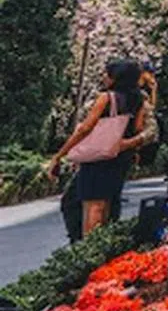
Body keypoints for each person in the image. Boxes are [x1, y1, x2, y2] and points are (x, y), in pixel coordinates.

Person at [46, 60, 147, 237]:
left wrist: (60, 154)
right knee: (106, 204)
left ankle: (89, 249)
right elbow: (138, 129)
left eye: (107, 74)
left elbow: (86, 128)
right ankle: (103, 248)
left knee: (92, 206)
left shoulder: (107, 98)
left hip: (98, 158)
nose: (104, 77)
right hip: (121, 157)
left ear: (116, 77)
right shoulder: (139, 100)